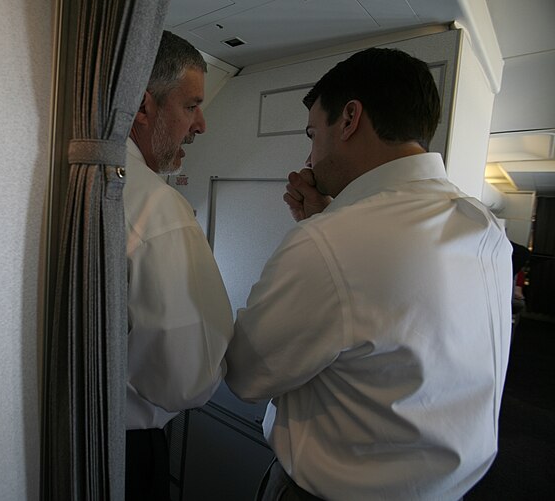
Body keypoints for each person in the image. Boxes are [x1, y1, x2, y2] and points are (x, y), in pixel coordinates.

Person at [225, 48, 512, 500]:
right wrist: (325, 221)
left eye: (313, 134)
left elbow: (246, 374)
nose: (310, 155)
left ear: (350, 119)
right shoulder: (487, 228)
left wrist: (322, 230)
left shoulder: (332, 243)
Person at [124, 30, 234, 500]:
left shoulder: (75, 182)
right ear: (144, 107)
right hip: (128, 451)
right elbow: (189, 378)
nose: (201, 124)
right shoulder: (157, 208)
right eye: (191, 106)